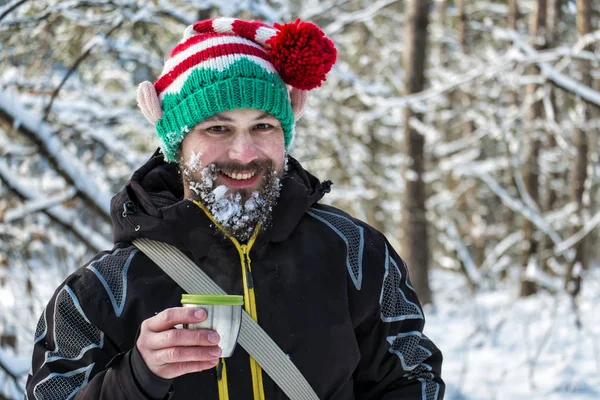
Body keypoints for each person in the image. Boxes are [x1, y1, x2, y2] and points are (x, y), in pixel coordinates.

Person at [25, 17, 444, 399]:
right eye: (218, 128)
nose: (244, 153)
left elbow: (412, 379)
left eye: (263, 126)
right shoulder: (104, 289)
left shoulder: (355, 252)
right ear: (177, 143)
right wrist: (135, 378)